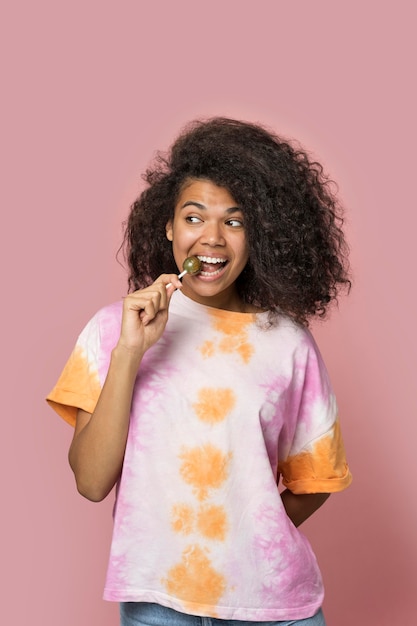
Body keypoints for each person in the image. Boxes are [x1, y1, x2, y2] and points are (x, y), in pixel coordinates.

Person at [47, 117, 352, 626]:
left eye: (234, 221)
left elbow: (315, 479)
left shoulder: (288, 343)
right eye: (194, 217)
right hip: (158, 605)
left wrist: (252, 531)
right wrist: (131, 350)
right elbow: (92, 482)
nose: (211, 238)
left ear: (260, 235)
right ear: (167, 226)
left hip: (273, 605)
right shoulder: (112, 331)